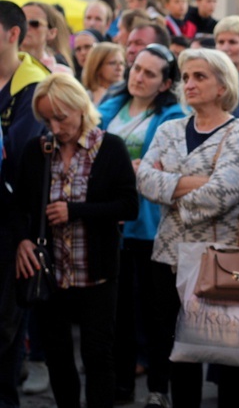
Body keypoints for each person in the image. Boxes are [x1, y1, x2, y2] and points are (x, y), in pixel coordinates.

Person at [136, 48, 239, 408]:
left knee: (227, 353)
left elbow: (224, 193)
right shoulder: (170, 128)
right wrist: (195, 181)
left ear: (222, 86)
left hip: (220, 259)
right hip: (169, 253)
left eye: (199, 76)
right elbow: (143, 180)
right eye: (186, 76)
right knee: (178, 352)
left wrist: (169, 185)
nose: (189, 83)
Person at [15, 73, 138, 408]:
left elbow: (129, 205)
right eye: (47, 119)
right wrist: (23, 240)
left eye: (61, 117)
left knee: (98, 354)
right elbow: (19, 206)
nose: (55, 127)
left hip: (96, 272)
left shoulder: (109, 147)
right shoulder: (38, 150)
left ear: (81, 108)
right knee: (57, 355)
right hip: (51, 272)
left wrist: (75, 211)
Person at [98, 43, 185, 406]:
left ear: (165, 84)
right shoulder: (109, 106)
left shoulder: (173, 116)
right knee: (117, 311)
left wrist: (138, 171)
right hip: (110, 222)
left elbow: (166, 168)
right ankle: (120, 383)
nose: (139, 77)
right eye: (136, 68)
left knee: (156, 311)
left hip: (150, 225)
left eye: (149, 73)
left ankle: (157, 387)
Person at [0, 0, 50, 408]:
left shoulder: (34, 85)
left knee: (5, 328)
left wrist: (24, 236)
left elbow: (20, 160)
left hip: (14, 222)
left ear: (13, 35)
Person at [20, 2, 71, 74]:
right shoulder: (4, 68)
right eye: (22, 22)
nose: (26, 27)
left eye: (34, 23)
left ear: (52, 33)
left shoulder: (61, 73)